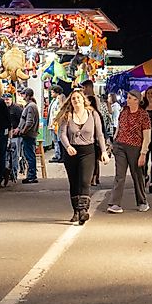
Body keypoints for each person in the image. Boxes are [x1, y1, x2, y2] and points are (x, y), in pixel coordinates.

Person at [57, 89, 109, 224]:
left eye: (78, 98)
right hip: (72, 152)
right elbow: (62, 134)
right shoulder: (67, 115)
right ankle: (76, 211)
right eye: (73, 99)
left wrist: (104, 151)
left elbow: (99, 134)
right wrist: (68, 146)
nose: (76, 100)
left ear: (83, 99)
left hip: (88, 151)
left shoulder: (93, 114)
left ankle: (83, 210)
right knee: (74, 182)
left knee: (85, 181)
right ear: (71, 101)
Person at [107, 89, 151, 213]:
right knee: (119, 175)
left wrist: (143, 153)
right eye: (127, 97)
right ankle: (115, 203)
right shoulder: (124, 111)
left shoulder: (143, 115)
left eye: (130, 98)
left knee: (137, 175)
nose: (127, 100)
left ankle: (142, 201)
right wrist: (114, 141)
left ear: (137, 100)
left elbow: (147, 136)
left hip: (135, 147)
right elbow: (119, 127)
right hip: (120, 145)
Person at [14, 87, 40, 184]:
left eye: (23, 94)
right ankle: (31, 175)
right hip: (29, 134)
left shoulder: (30, 106)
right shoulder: (31, 106)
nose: (22, 96)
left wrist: (23, 131)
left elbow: (29, 122)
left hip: (29, 135)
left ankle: (31, 176)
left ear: (28, 95)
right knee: (29, 155)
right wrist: (18, 129)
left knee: (29, 155)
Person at [87, 94, 108, 186]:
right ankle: (95, 178)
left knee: (94, 160)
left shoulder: (95, 113)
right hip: (91, 140)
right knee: (93, 160)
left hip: (95, 140)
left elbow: (101, 130)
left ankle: (94, 178)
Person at [4, 93, 24, 179]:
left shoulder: (17, 108)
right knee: (6, 156)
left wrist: (18, 129)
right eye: (4, 100)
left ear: (11, 99)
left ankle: (14, 173)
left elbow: (22, 120)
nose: (6, 101)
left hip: (16, 136)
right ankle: (7, 173)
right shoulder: (2, 109)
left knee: (15, 156)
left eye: (7, 99)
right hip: (5, 136)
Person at [48, 85, 65, 163]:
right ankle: (57, 155)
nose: (51, 94)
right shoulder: (54, 100)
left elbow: (61, 109)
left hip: (57, 124)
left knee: (59, 140)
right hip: (52, 124)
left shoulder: (60, 99)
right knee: (55, 140)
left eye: (52, 92)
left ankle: (60, 156)